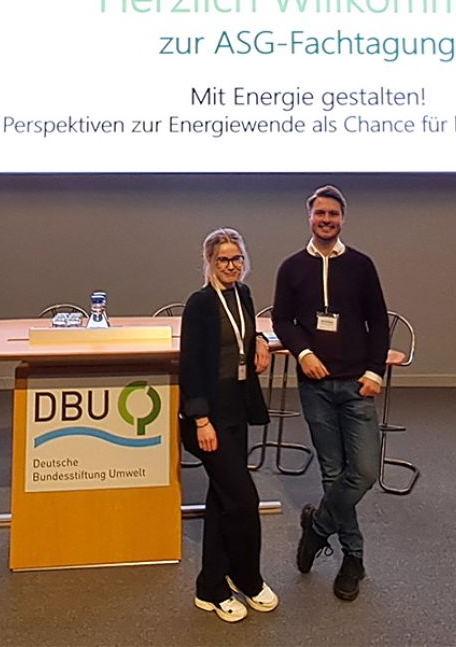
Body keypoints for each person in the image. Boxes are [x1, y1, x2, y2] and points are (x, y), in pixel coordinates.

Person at [272, 185, 389, 602]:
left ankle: (318, 527)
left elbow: (378, 321)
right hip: (316, 387)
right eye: (320, 213)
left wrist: (375, 372)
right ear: (309, 217)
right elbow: (282, 320)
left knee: (365, 472)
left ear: (343, 219)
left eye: (333, 214)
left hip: (357, 383)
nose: (326, 220)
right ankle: (353, 558)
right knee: (333, 473)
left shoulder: (361, 265)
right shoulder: (292, 267)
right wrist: (303, 353)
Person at [178, 228, 276, 623]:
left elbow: (246, 331)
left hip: (238, 408)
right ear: (209, 262)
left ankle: (212, 587)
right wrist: (201, 419)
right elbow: (190, 365)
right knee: (243, 501)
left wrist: (261, 340)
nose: (232, 265)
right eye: (223, 259)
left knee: (222, 499)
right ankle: (247, 577)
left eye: (237, 259)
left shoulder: (244, 294)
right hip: (209, 416)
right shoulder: (200, 303)